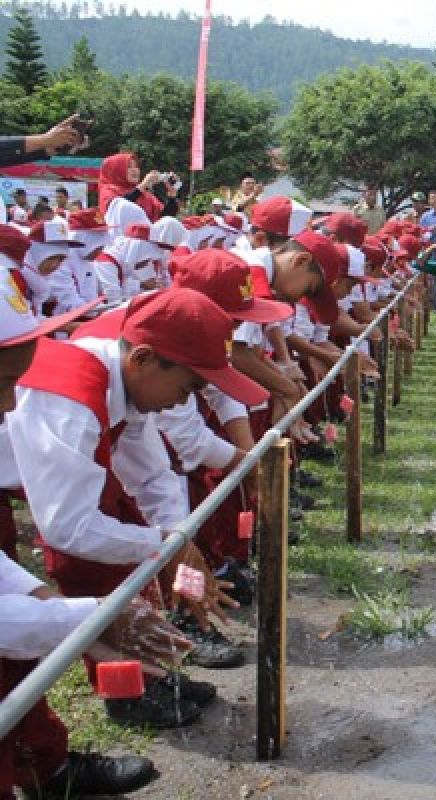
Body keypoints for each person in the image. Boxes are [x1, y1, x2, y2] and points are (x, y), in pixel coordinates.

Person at [0, 275, 187, 800]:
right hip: (48, 508)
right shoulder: (71, 398)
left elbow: (152, 469)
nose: (14, 408)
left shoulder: (106, 384)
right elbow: (66, 528)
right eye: (2, 384)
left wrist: (54, 606)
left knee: (14, 674)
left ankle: (45, 766)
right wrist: (89, 617)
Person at [97, 153, 178, 222]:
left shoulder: (145, 195)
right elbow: (119, 208)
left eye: (136, 167)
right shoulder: (108, 190)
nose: (135, 170)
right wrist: (143, 185)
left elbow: (164, 221)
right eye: (129, 167)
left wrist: (172, 195)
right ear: (115, 170)